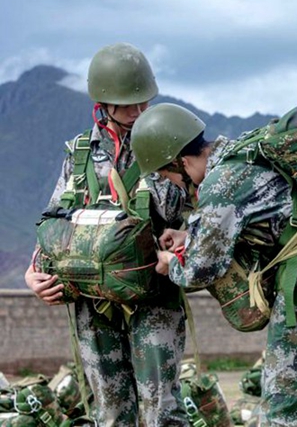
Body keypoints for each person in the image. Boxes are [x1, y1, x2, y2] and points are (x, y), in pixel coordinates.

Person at [130, 102, 297, 427]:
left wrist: (169, 262)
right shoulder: (244, 153)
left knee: (283, 415)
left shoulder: (220, 184)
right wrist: (190, 235)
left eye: (168, 175)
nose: (172, 184)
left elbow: (200, 270)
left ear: (182, 162)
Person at [24, 43, 189, 427]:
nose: (138, 112)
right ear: (103, 103)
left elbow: (185, 211)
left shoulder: (166, 142)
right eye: (128, 104)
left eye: (143, 103)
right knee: (111, 413)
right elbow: (55, 220)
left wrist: (153, 154)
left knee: (161, 410)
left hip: (152, 298)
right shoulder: (80, 153)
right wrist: (34, 273)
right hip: (92, 301)